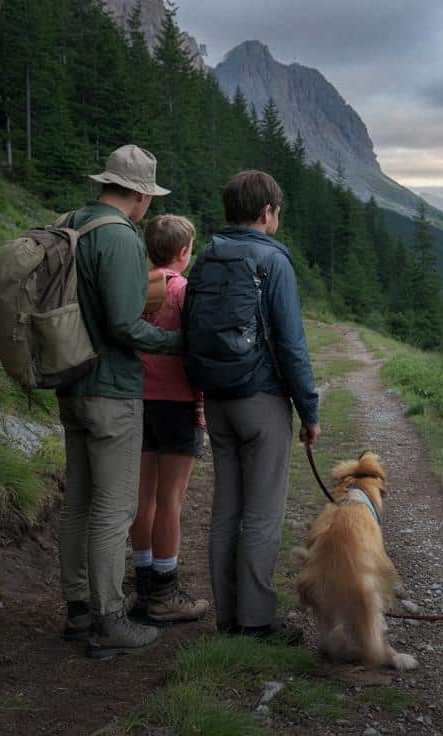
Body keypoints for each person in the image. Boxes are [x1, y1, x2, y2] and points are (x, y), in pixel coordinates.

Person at [58, 144, 181, 659]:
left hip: (70, 382)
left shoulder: (71, 223)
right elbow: (124, 326)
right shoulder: (121, 239)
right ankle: (110, 620)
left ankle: (79, 608)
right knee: (114, 506)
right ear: (139, 195)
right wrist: (179, 343)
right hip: (111, 390)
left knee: (79, 502)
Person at [192, 170, 320, 643]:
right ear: (267, 212)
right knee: (263, 513)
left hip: (219, 401)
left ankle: (227, 618)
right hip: (262, 401)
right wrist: (309, 411)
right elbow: (291, 344)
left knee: (226, 509)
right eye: (277, 209)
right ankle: (256, 622)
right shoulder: (273, 261)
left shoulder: (206, 256)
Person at [129, 214, 210, 624]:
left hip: (135, 403)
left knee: (142, 500)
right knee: (170, 502)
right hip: (176, 405)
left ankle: (142, 587)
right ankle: (165, 593)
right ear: (184, 252)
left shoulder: (136, 287)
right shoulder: (182, 291)